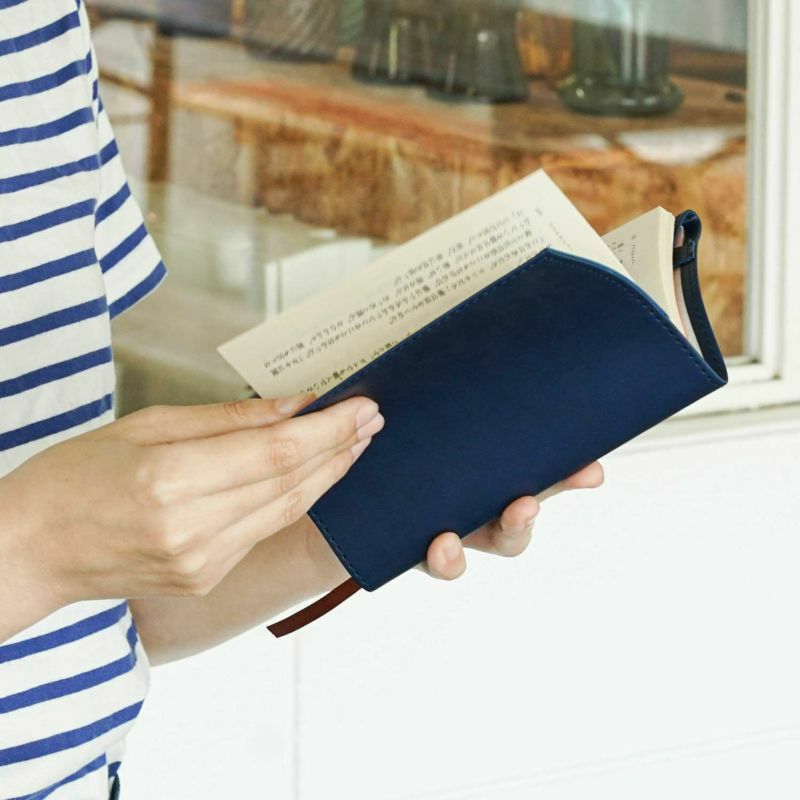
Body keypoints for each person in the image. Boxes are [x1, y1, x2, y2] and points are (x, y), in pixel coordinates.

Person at [0, 2, 604, 798]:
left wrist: (390, 498)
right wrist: (38, 543)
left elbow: (102, 608)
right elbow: (47, 552)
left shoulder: (37, 21)